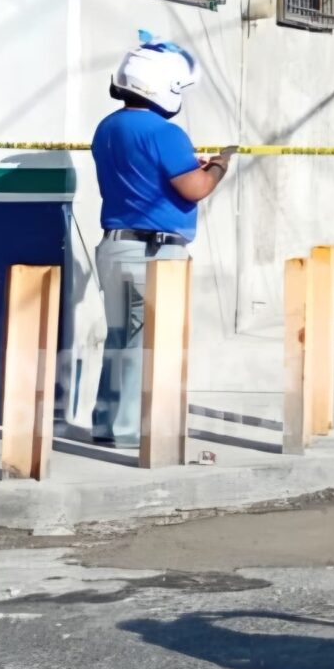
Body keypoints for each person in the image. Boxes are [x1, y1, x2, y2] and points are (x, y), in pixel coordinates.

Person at [88, 37, 232, 450]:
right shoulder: (166, 133)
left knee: (120, 338)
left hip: (115, 246)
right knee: (148, 343)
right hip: (154, 251)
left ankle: (107, 424)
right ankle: (133, 432)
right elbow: (195, 188)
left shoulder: (107, 127)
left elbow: (146, 174)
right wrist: (220, 165)